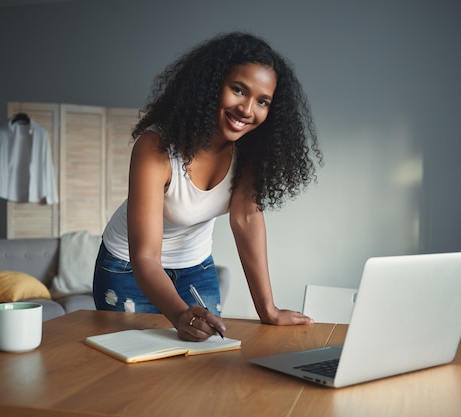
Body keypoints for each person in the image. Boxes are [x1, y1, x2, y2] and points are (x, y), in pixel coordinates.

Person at [93, 31, 322, 342]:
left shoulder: (249, 153)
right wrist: (178, 315)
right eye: (239, 90)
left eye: (263, 101)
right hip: (128, 269)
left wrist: (267, 309)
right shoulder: (156, 148)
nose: (247, 110)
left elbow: (246, 219)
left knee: (202, 369)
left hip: (195, 268)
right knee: (133, 373)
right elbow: (145, 256)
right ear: (212, 85)